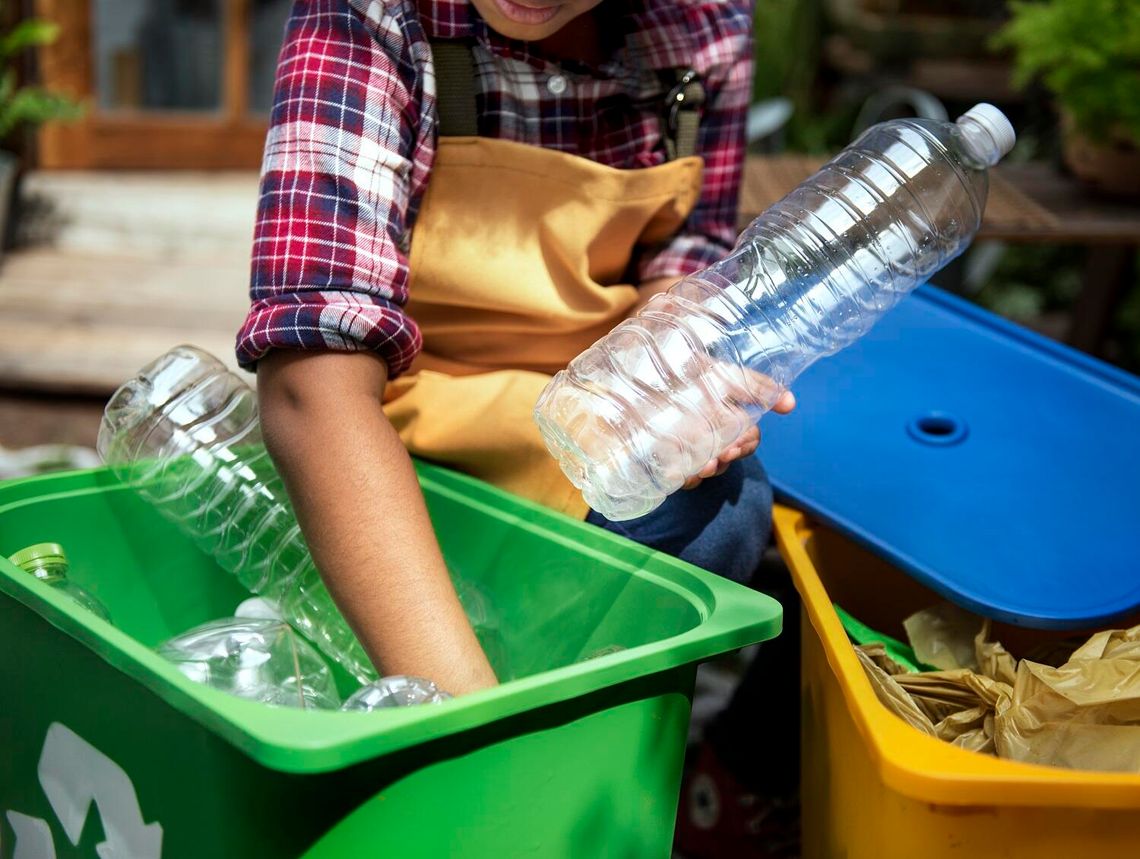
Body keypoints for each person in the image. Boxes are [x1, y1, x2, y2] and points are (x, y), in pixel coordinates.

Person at [238, 3, 798, 847]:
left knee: (726, 508)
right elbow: (311, 388)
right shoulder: (374, 15)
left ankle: (577, 766)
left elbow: (685, 254)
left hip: (573, 426)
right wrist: (472, 741)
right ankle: (483, 752)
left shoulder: (703, 27)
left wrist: (675, 365)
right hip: (395, 437)